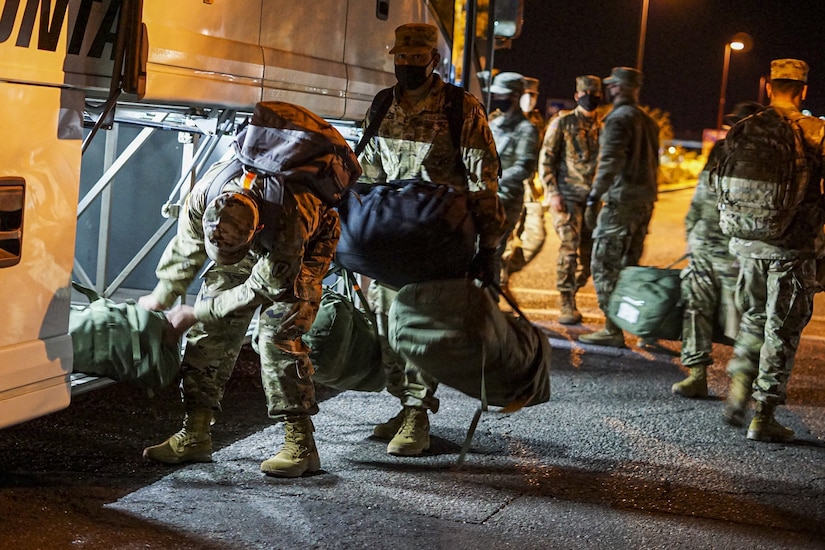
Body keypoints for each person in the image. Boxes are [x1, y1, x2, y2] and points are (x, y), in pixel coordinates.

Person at [138, 104, 345, 478]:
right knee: (208, 333)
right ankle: (196, 434)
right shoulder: (206, 194)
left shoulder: (290, 219)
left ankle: (301, 444)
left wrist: (193, 312)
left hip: (307, 247)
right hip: (252, 235)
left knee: (276, 336)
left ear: (254, 231)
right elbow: (185, 250)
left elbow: (261, 288)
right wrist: (161, 297)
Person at [357, 23, 505, 456]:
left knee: (421, 327)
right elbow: (367, 171)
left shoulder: (461, 108)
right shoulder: (383, 104)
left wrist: (490, 247)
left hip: (439, 239)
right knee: (387, 328)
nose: (406, 67)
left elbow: (483, 181)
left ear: (433, 61)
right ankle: (403, 406)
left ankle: (417, 414)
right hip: (390, 236)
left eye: (415, 60)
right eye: (400, 59)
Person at [721, 59, 825, 442]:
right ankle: (762, 416)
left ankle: (738, 390)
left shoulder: (746, 127)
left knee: (751, 319)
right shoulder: (816, 131)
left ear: (768, 87)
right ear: (803, 91)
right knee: (781, 331)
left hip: (748, 246)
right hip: (794, 251)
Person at [671, 101, 764, 398]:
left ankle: (742, 379)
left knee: (739, 316)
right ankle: (696, 374)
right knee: (695, 308)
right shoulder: (720, 150)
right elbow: (701, 192)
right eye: (734, 123)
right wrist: (691, 229)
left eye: (742, 122)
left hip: (736, 251)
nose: (735, 128)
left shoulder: (762, 159)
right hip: (703, 244)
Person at [578, 67, 659, 347]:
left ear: (618, 89)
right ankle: (642, 328)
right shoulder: (648, 121)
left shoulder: (618, 119)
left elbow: (610, 162)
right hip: (644, 202)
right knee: (630, 267)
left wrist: (593, 197)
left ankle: (613, 329)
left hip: (621, 203)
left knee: (603, 264)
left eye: (612, 87)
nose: (609, 91)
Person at [539, 75, 603, 324]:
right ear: (577, 96)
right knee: (569, 248)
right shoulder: (562, 123)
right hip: (566, 198)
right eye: (586, 93)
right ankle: (566, 302)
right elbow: (546, 161)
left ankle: (573, 289)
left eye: (595, 93)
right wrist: (553, 193)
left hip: (593, 202)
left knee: (590, 258)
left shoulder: (604, 127)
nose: (590, 97)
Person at [485, 72, 539, 294]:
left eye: (502, 95)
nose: (497, 98)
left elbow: (524, 166)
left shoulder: (526, 129)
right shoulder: (495, 123)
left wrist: (492, 177)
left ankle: (492, 301)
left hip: (506, 199)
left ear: (515, 96)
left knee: (493, 250)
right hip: (484, 195)